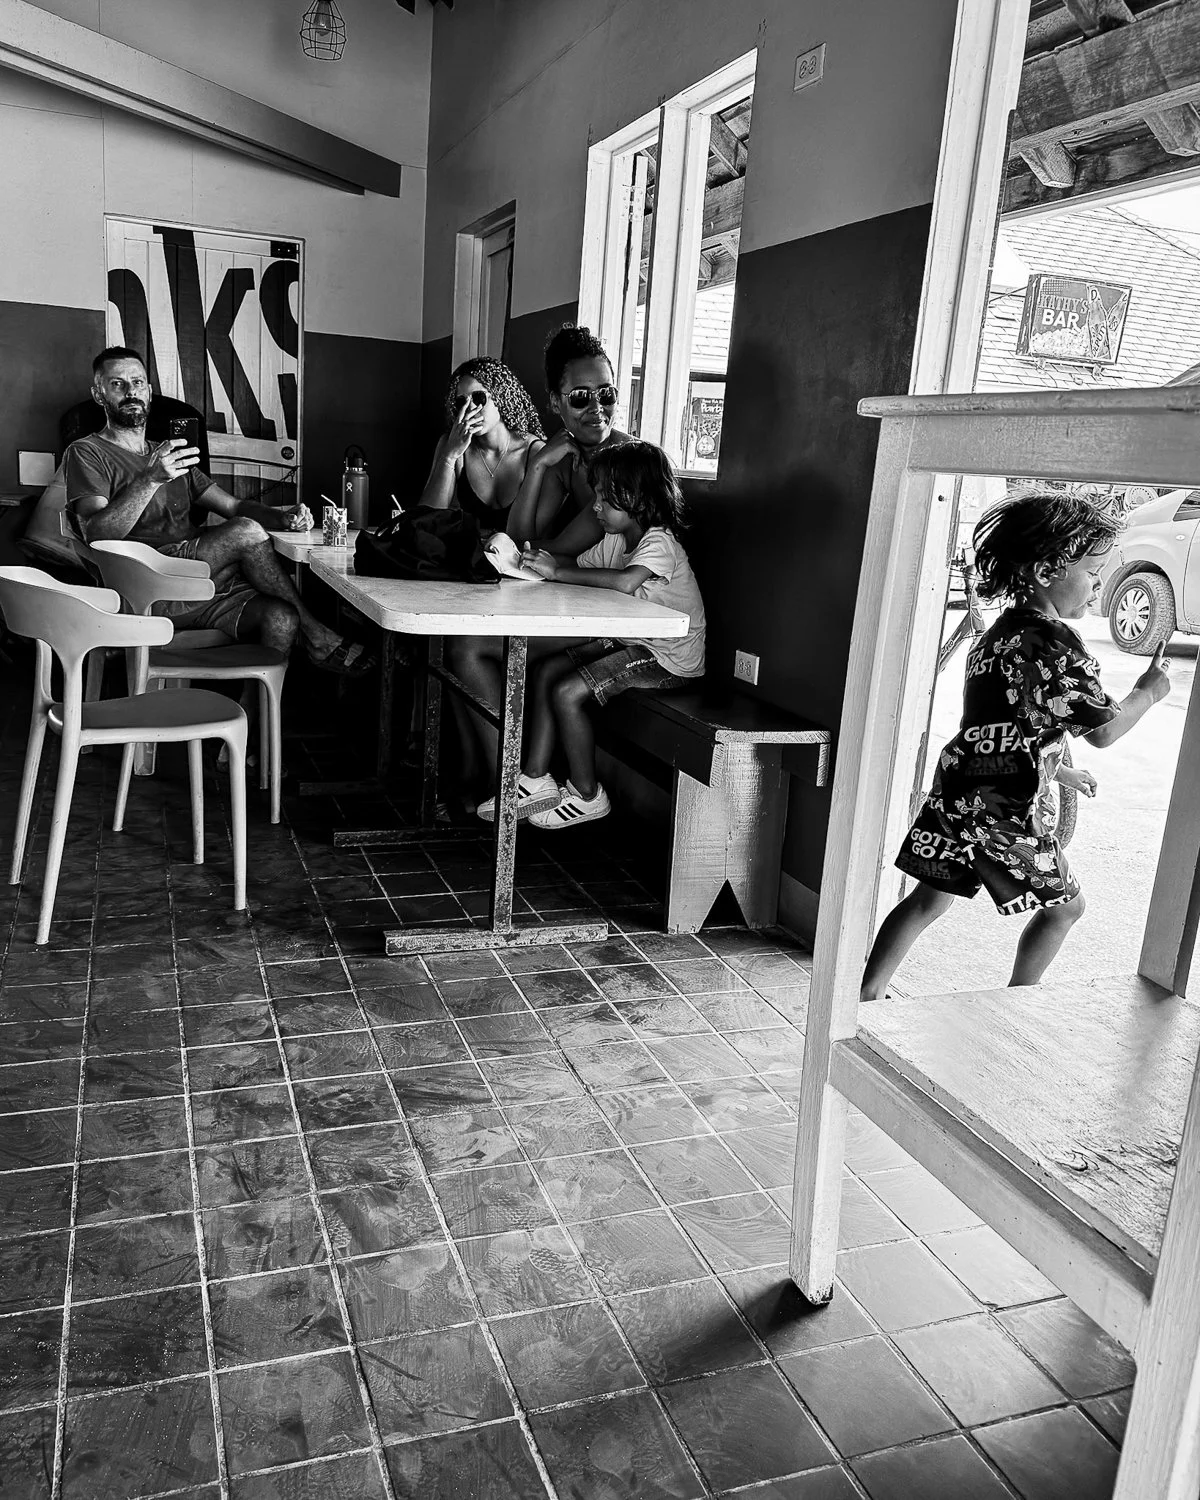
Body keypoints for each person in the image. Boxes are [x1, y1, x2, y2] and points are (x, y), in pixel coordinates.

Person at [860, 492, 1170, 1003]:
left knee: (927, 900)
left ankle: (867, 994)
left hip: (957, 791)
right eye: (1093, 573)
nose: (1099, 586)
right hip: (1001, 810)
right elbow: (1104, 731)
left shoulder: (995, 637)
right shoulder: (1056, 645)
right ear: (1047, 571)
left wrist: (1060, 773)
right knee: (1065, 909)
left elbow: (1003, 727)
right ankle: (1017, 1001)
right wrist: (1148, 692)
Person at [65, 347, 371, 676]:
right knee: (245, 532)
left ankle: (254, 707)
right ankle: (317, 635)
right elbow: (97, 534)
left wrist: (282, 518)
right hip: (145, 587)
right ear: (99, 395)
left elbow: (233, 506)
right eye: (117, 384)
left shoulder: (170, 454)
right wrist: (149, 480)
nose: (131, 392)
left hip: (199, 582)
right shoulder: (86, 452)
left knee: (282, 619)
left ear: (149, 392)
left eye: (137, 383)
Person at [475, 440, 706, 828]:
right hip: (634, 641)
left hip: (668, 658)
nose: (595, 507)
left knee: (566, 693)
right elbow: (580, 565)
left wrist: (557, 571)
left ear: (635, 499)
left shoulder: (659, 541)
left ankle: (587, 794)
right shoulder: (616, 539)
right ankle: (535, 779)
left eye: (604, 499)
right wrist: (533, 561)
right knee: (547, 671)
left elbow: (625, 582)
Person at [449, 325, 631, 793]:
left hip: (632, 615)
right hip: (589, 601)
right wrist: (541, 466)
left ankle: (507, 790)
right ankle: (492, 781)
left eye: (607, 394)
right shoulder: (564, 456)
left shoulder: (626, 462)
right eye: (581, 397)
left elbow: (554, 549)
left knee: (467, 648)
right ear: (555, 401)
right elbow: (519, 540)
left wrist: (543, 467)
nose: (597, 408)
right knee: (457, 644)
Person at [417, 358, 544, 531]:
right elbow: (425, 520)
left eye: (479, 398)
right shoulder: (453, 445)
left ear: (501, 397)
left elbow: (539, 532)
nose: (470, 409)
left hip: (516, 548)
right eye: (462, 402)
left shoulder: (534, 452)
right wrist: (449, 456)